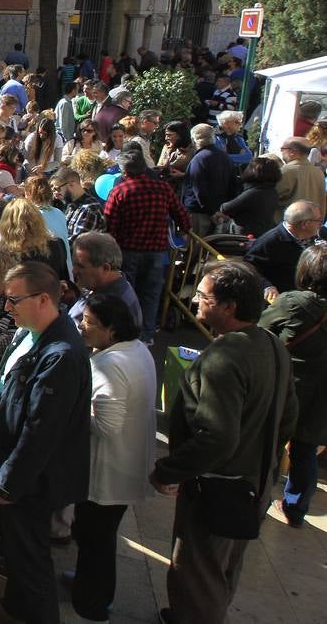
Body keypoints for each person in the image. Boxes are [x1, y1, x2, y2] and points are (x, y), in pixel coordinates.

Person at [151, 260, 296, 624]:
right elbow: (289, 416)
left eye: (202, 296)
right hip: (253, 486)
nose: (195, 301)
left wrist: (170, 470)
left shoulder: (224, 358)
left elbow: (217, 436)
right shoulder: (272, 345)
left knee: (197, 577)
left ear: (228, 306)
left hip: (219, 489)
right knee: (223, 570)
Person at [0, 261, 90, 624]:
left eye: (14, 301)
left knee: (29, 557)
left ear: (43, 299)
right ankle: (14, 608)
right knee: (16, 550)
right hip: (17, 470)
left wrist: (9, 484)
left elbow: (41, 431)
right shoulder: (29, 334)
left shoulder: (61, 355)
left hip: (32, 481)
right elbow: (7, 386)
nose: (7, 308)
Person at [71, 291, 157, 622]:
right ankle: (88, 587)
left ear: (112, 330)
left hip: (108, 470)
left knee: (96, 539)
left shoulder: (111, 364)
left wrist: (74, 409)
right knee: (98, 537)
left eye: (89, 322)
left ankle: (92, 603)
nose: (81, 326)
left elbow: (106, 425)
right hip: (124, 466)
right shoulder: (137, 351)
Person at [260, 246, 327, 528]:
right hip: (323, 397)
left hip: (289, 389)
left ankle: (259, 498)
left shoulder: (294, 302)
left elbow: (260, 332)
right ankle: (296, 509)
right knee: (306, 450)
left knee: (270, 447)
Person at [104, 150, 191, 341]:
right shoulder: (163, 188)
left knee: (127, 294)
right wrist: (185, 230)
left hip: (128, 250)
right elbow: (181, 213)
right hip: (156, 250)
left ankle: (126, 334)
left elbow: (110, 224)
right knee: (151, 294)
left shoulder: (119, 191)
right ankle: (146, 334)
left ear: (124, 172)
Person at [244, 200, 327, 302]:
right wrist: (267, 286)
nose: (321, 224)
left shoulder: (318, 236)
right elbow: (248, 267)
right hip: (286, 302)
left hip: (312, 297)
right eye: (319, 220)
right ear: (305, 224)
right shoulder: (270, 241)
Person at [182, 124, 237, 237]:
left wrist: (212, 211)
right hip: (219, 211)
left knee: (195, 248)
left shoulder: (199, 159)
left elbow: (199, 188)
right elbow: (233, 185)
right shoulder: (225, 157)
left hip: (199, 212)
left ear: (194, 140)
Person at [277, 138, 325, 212]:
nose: (281, 151)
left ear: (292, 152)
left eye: (283, 148)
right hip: (313, 221)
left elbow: (270, 198)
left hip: (288, 221)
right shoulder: (319, 173)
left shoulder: (286, 171)